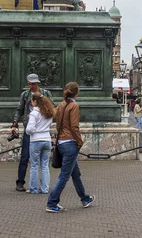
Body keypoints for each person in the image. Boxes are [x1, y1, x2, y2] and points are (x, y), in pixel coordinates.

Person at [46, 82, 94, 212]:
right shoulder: (74, 106)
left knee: (75, 173)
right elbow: (74, 126)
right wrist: (79, 141)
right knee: (64, 175)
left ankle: (85, 198)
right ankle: (51, 202)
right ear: (76, 93)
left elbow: (57, 124)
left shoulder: (61, 105)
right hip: (70, 143)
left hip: (61, 141)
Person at [11, 73, 53, 192]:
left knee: (42, 163)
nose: (31, 85)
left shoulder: (45, 94)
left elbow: (52, 107)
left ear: (37, 83)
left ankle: (40, 187)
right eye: (29, 83)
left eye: (33, 83)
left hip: (40, 131)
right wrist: (14, 124)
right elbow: (19, 110)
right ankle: (20, 181)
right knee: (25, 156)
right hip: (30, 130)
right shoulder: (25, 95)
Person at [26, 93, 55, 194]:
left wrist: (28, 132)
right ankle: (45, 188)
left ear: (35, 101)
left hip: (36, 140)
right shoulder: (48, 112)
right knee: (45, 165)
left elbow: (30, 129)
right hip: (47, 139)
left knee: (34, 165)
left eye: (32, 101)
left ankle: (33, 189)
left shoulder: (34, 113)